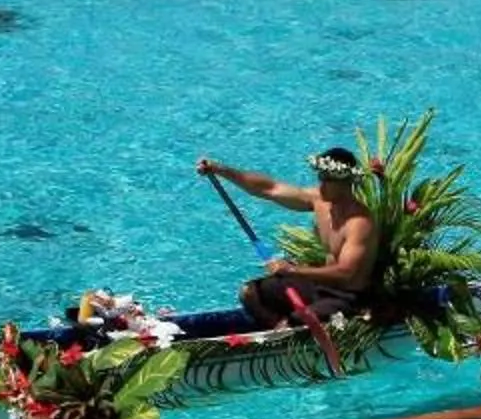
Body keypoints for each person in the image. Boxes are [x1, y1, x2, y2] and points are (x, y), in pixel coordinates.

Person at [152, 144, 382, 338]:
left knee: (299, 318)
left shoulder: (360, 222)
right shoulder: (319, 201)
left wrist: (293, 270)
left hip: (348, 297)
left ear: (346, 182)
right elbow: (268, 188)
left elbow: (346, 272)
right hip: (318, 287)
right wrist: (221, 170)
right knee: (249, 293)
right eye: (320, 178)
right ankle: (281, 330)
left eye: (328, 180)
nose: (321, 185)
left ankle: (290, 331)